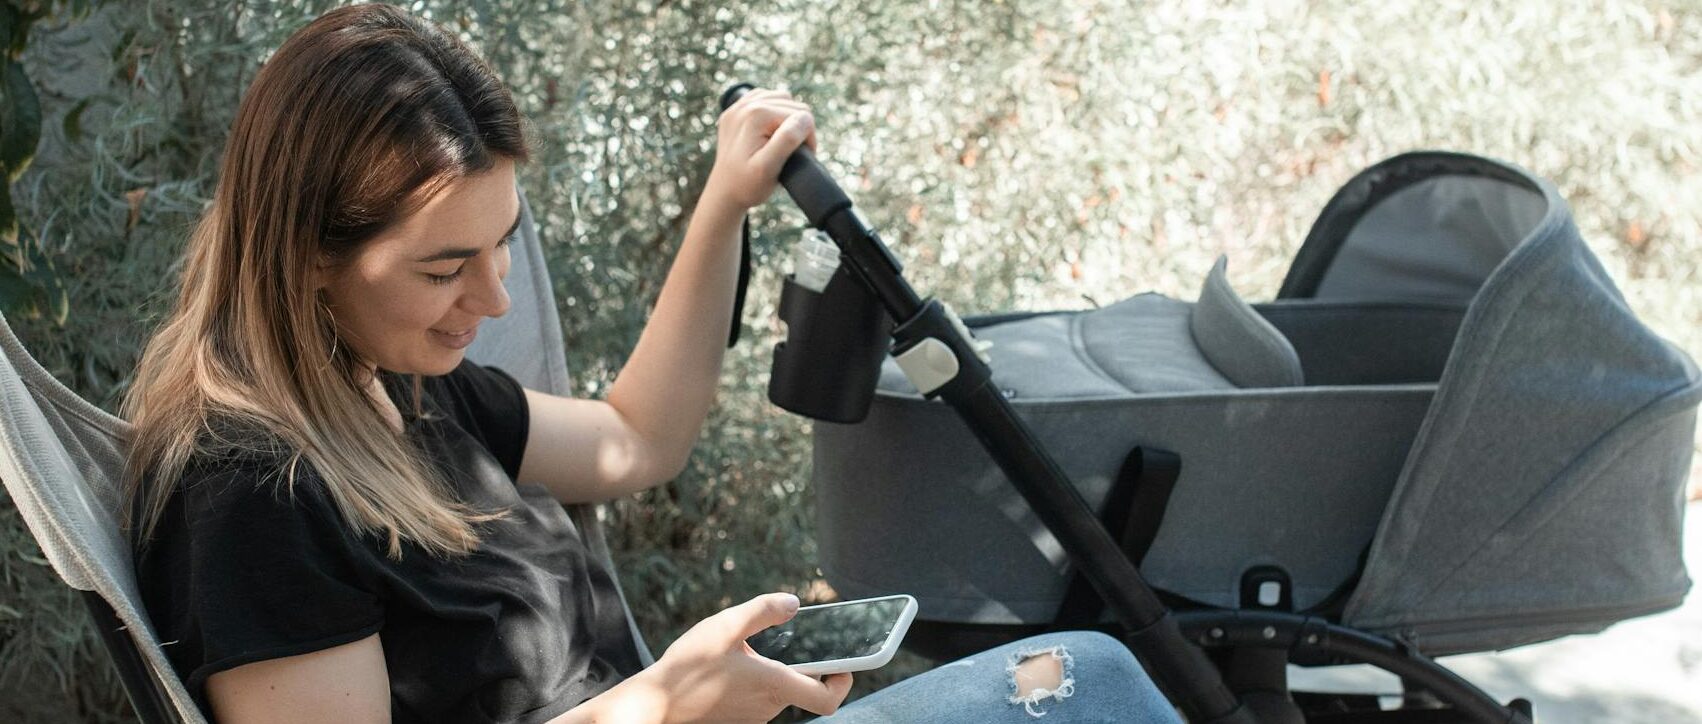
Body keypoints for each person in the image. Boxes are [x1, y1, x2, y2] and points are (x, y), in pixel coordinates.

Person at [122, 4, 1182, 723]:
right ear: (307, 255)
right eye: (448, 266)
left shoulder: (395, 386)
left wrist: (723, 204)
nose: (490, 302)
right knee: (1085, 686)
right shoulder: (253, 495)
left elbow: (637, 437)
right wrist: (663, 702)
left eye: (503, 246)